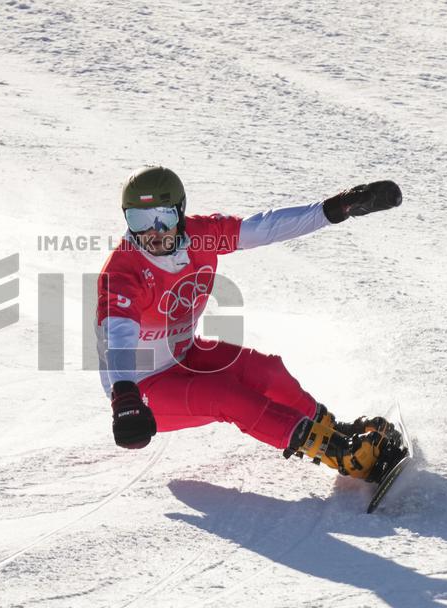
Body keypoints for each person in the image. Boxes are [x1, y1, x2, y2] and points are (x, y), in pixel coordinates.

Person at [95, 166, 405, 482]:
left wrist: (335, 208)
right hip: (141, 388)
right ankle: (337, 453)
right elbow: (117, 338)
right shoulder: (122, 272)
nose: (153, 231)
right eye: (139, 220)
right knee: (226, 396)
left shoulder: (201, 235)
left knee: (267, 371)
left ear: (180, 212)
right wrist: (125, 396)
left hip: (185, 354)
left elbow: (265, 228)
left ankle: (333, 430)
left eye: (163, 217)